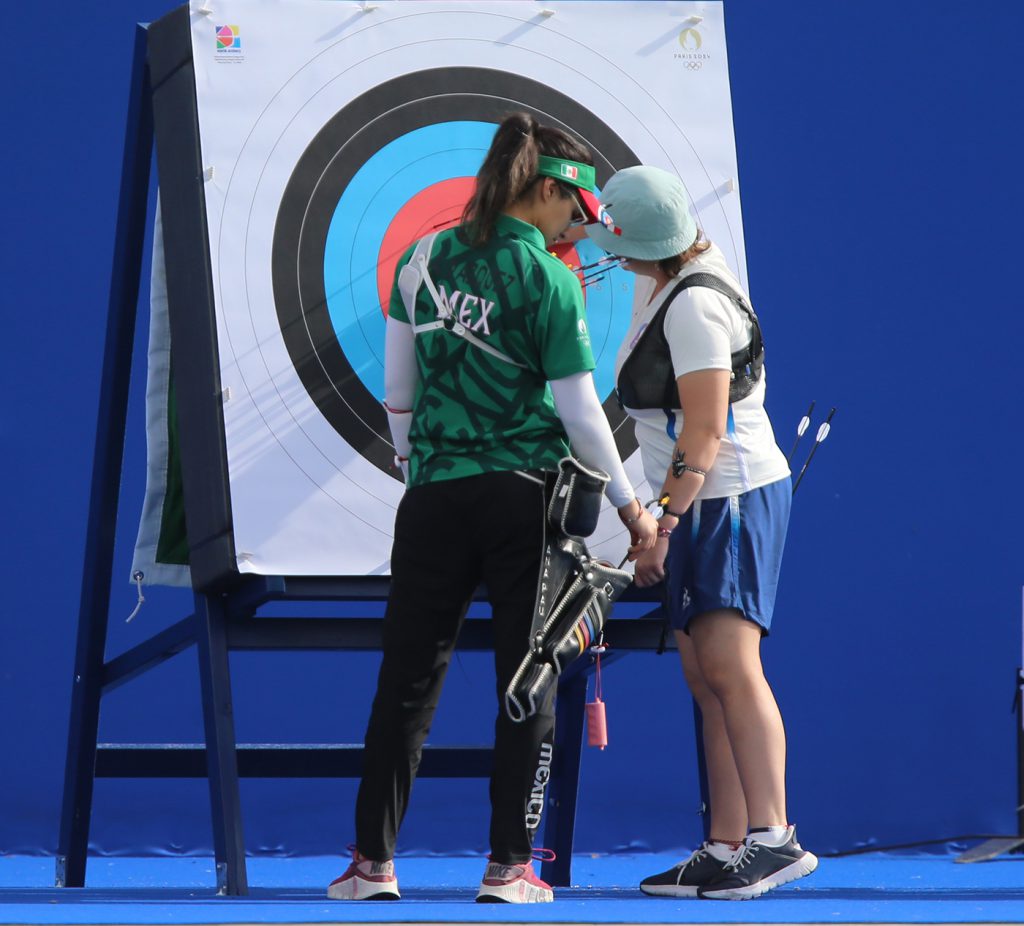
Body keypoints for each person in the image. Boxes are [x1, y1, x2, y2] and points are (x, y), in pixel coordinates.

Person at [327, 114, 658, 904]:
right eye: (575, 214)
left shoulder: (421, 257)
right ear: (547, 191)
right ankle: (510, 869)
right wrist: (633, 508)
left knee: (408, 678)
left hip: (435, 496)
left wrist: (420, 466)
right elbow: (580, 412)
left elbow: (399, 396)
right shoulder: (546, 278)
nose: (577, 230)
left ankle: (373, 866)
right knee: (528, 675)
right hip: (524, 499)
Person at [586, 166, 817, 900]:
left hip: (727, 498)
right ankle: (724, 841)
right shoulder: (665, 280)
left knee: (730, 664)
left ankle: (774, 838)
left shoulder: (693, 307)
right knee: (701, 671)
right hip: (698, 499)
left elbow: (709, 428)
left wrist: (662, 522)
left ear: (644, 244)